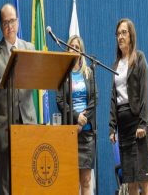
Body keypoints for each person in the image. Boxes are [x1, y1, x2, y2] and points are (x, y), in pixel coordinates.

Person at [0, 3, 37, 195]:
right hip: (4, 129)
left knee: (27, 182)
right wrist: (4, 79)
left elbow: (38, 77)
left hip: (27, 125)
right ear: (0, 26)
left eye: (13, 21)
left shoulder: (29, 48)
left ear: (18, 21)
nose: (10, 26)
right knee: (6, 187)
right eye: (6, 23)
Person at [109, 18, 148, 194]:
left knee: (143, 178)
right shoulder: (116, 64)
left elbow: (144, 92)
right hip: (124, 128)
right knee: (130, 180)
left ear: (131, 35)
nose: (120, 37)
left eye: (124, 32)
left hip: (138, 124)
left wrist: (143, 123)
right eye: (118, 33)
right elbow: (114, 98)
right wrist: (112, 127)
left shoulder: (139, 57)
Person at [56, 35, 98, 195]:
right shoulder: (63, 74)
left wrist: (81, 123)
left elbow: (95, 99)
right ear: (67, 50)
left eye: (77, 47)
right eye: (71, 46)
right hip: (70, 132)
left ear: (81, 52)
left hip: (86, 133)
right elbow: (60, 101)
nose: (74, 48)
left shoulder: (89, 73)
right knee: (71, 181)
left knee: (86, 181)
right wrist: (75, 117)